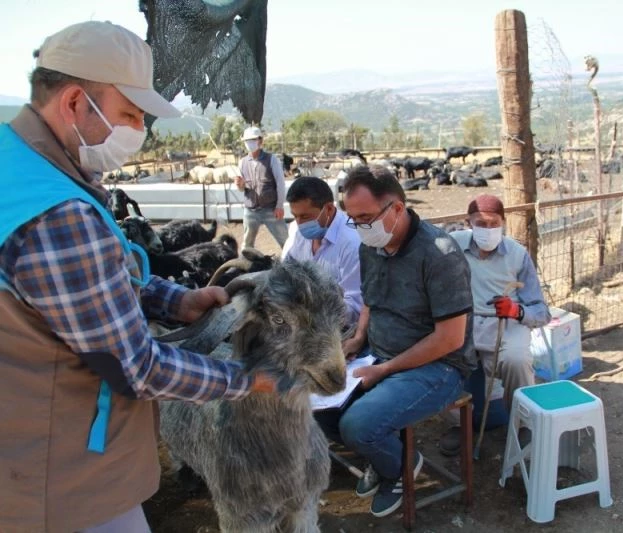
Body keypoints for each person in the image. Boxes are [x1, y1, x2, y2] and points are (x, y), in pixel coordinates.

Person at [0, 21, 275, 533]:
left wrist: (173, 301)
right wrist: (246, 381)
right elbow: (135, 368)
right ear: (77, 103)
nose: (138, 130)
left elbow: (78, 282)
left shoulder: (18, 166)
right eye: (128, 113)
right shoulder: (57, 213)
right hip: (59, 474)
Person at [315, 165, 474, 518]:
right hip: (380, 354)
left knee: (358, 426)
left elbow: (450, 338)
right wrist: (358, 339)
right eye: (352, 219)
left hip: (439, 366)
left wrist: (385, 368)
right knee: (319, 403)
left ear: (397, 209)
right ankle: (388, 457)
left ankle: (399, 468)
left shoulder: (439, 253)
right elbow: (371, 299)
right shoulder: (371, 246)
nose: (358, 227)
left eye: (366, 217)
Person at [439, 194, 552, 456]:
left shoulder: (517, 254)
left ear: (503, 223)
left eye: (494, 224)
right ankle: (458, 424)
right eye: (480, 223)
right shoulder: (452, 245)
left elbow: (541, 310)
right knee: (442, 358)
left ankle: (523, 424)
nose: (487, 230)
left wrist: (516, 309)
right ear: (468, 222)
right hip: (463, 321)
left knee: (516, 359)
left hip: (504, 322)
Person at [281, 176, 363, 328]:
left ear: (329, 209)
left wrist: (308, 315)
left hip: (334, 328)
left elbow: (354, 309)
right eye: (295, 216)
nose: (299, 223)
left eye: (305, 216)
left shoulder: (351, 244)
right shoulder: (300, 235)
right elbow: (285, 273)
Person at [234, 126, 289, 250]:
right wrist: (240, 185)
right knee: (247, 245)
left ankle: (292, 263)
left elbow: (280, 183)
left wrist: (279, 206)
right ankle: (247, 264)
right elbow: (242, 189)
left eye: (253, 140)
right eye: (247, 141)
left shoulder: (271, 160)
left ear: (260, 141)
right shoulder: (242, 162)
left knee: (285, 241)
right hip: (251, 210)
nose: (250, 143)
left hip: (270, 209)